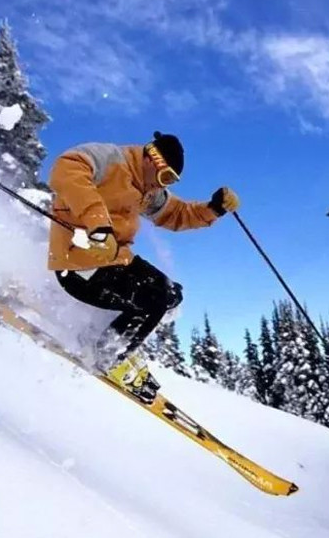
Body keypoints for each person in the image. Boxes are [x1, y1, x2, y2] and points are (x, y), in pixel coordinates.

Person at [47, 131, 239, 403]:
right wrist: (98, 225)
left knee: (170, 293)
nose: (164, 185)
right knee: (155, 298)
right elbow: (66, 168)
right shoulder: (110, 159)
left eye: (171, 181)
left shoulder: (147, 190)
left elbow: (175, 214)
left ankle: (105, 339)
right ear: (152, 158)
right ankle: (107, 354)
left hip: (113, 259)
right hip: (79, 260)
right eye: (165, 177)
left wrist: (214, 209)